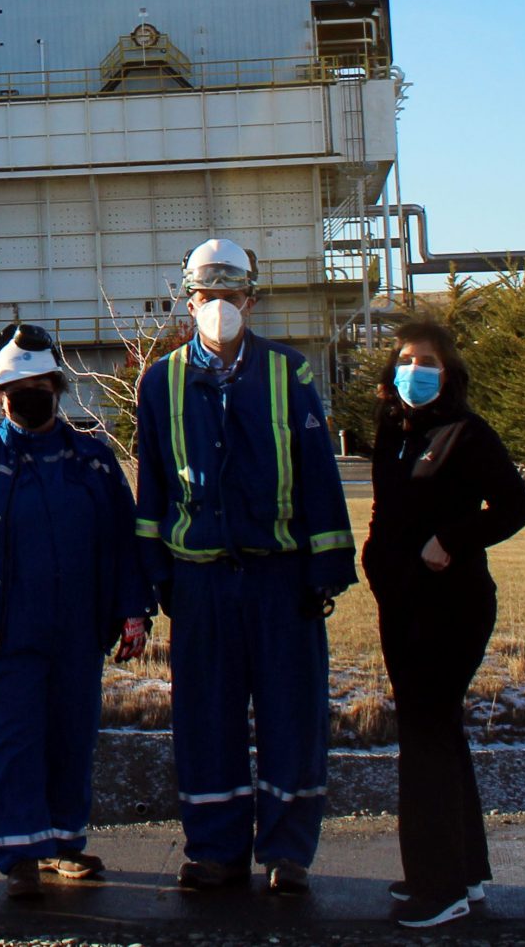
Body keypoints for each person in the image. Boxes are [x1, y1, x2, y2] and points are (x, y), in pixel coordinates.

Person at [133, 238, 356, 897]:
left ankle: (289, 852)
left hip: (279, 578)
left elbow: (319, 476)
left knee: (294, 713)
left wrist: (327, 566)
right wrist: (156, 571)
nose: (220, 307)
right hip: (202, 579)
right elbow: (152, 487)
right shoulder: (161, 379)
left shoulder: (292, 375)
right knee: (206, 718)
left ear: (251, 299)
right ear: (190, 300)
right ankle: (215, 850)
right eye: (209, 296)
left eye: (232, 295)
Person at [0, 324, 150, 902]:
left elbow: (126, 543)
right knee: (9, 738)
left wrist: (134, 611)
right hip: (7, 629)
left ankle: (63, 844)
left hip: (79, 628)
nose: (29, 394)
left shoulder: (95, 462)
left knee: (70, 737)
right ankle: (21, 852)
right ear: (0, 395)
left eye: (39, 384)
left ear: (58, 387)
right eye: (16, 386)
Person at [364, 316, 525, 930]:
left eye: (428, 361)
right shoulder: (394, 430)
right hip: (402, 602)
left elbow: (517, 507)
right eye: (406, 359)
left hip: (452, 603)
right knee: (435, 730)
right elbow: (389, 508)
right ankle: (460, 870)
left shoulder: (468, 433)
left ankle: (440, 889)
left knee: (428, 736)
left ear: (450, 371)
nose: (415, 369)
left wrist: (452, 541)